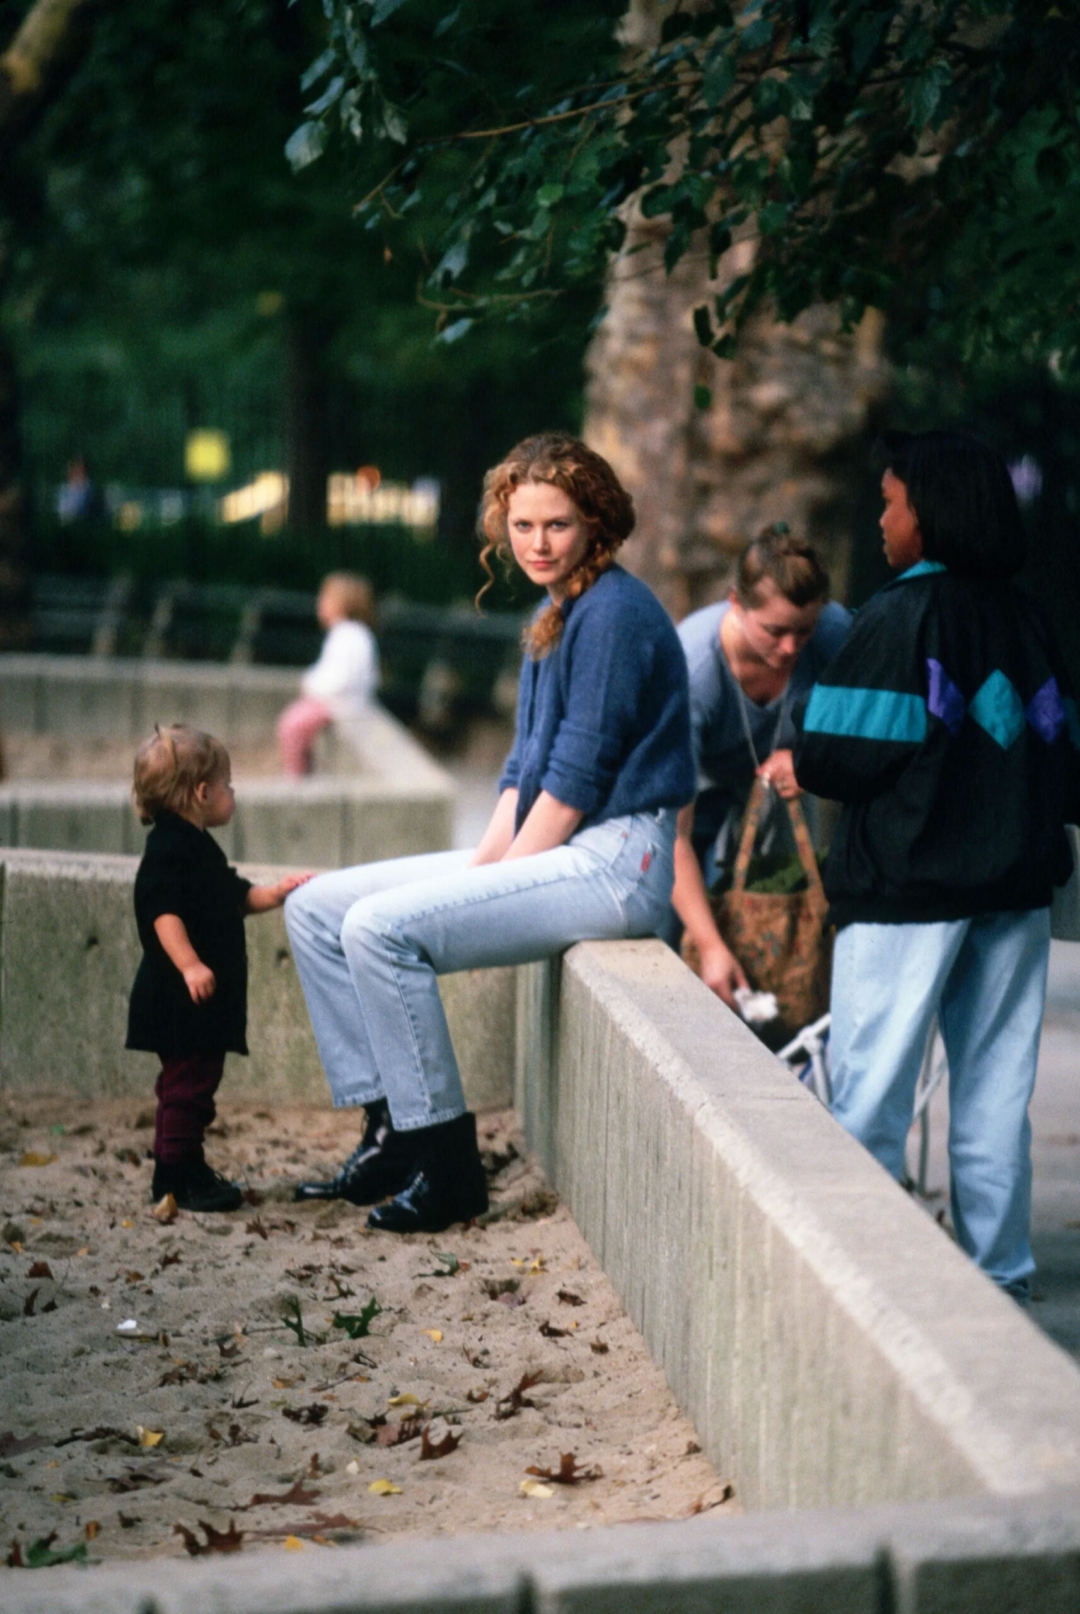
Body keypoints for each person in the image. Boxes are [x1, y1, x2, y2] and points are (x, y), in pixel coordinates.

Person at [284, 432, 696, 1236]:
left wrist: (471, 894)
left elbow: (574, 783)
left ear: (597, 523)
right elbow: (522, 774)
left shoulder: (612, 614)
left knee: (382, 926)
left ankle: (447, 1162)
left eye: (558, 526)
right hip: (567, 846)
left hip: (618, 861)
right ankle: (395, 1130)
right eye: (522, 525)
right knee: (319, 910)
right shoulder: (555, 612)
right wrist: (478, 875)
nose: (537, 543)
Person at [794, 430, 1080, 1300]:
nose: (882, 521)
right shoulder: (1030, 618)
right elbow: (1064, 767)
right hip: (1017, 890)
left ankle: (867, 1277)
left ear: (931, 512)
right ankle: (1002, 1273)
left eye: (892, 503)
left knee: (872, 1092)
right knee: (997, 1095)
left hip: (908, 894)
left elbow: (830, 760)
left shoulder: (898, 615)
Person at [126, 725, 313, 1212]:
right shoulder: (170, 848)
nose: (234, 794)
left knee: (189, 1085)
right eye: (229, 786)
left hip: (195, 1002)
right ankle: (175, 1176)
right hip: (180, 998)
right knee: (188, 1088)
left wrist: (275, 893)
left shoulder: (195, 846)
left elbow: (232, 896)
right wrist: (190, 966)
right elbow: (162, 914)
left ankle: (183, 1164)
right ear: (202, 793)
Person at [671, 528, 850, 1003]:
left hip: (788, 800)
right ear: (735, 603)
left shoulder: (834, 635)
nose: (792, 648)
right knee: (684, 924)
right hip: (697, 795)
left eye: (803, 631)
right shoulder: (692, 671)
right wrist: (710, 947)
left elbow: (869, 733)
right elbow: (673, 836)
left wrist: (809, 755)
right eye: (775, 630)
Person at [277, 572, 378, 776]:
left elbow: (340, 679)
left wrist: (312, 685)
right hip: (341, 701)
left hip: (339, 703)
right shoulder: (351, 633)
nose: (319, 604)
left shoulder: (347, 635)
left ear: (341, 604)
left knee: (291, 724)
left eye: (325, 599)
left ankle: (296, 774)